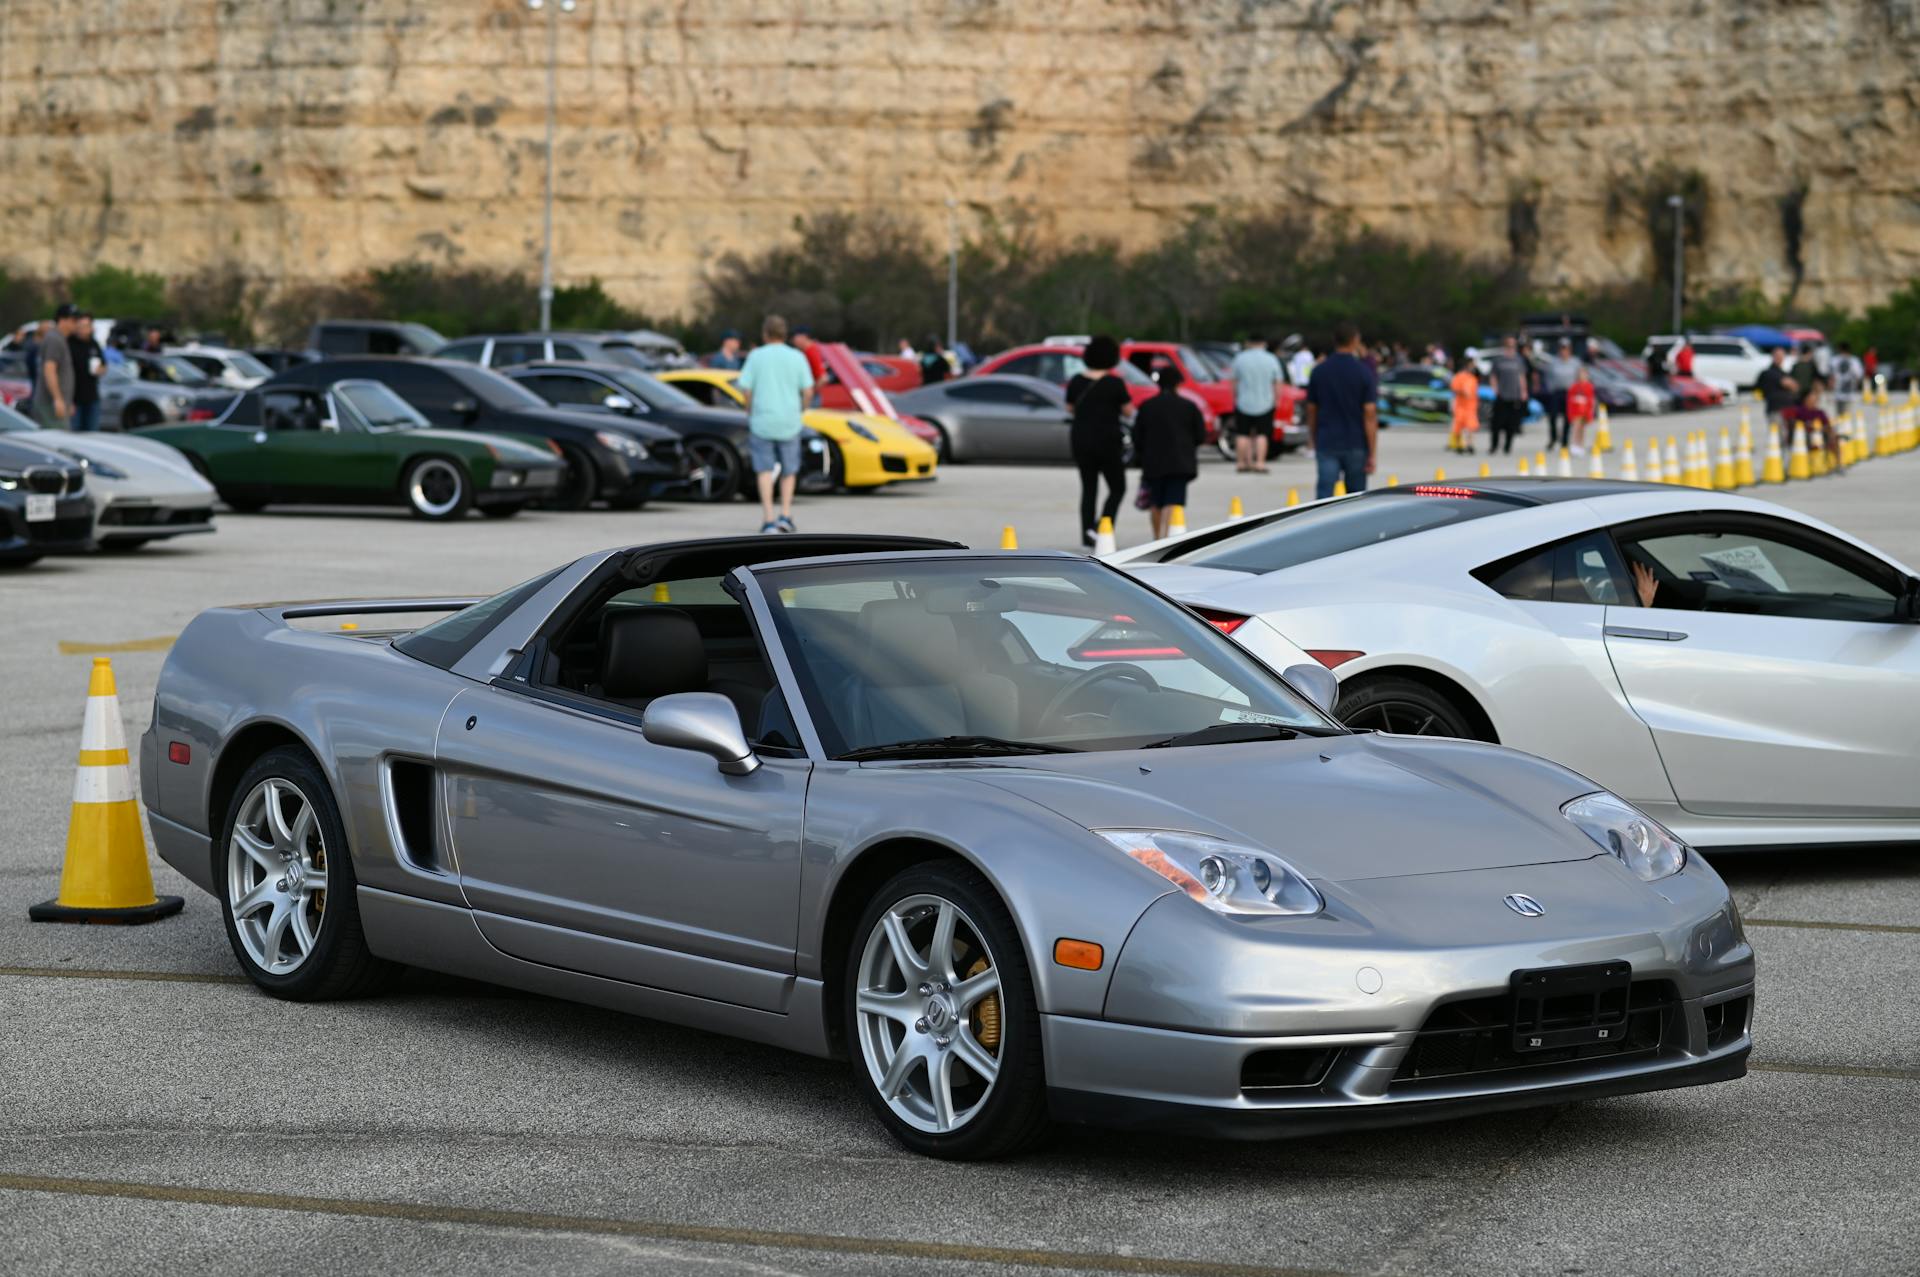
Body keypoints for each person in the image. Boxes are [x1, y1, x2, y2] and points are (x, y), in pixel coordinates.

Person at [736, 314, 814, 534]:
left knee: (764, 469)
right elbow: (808, 390)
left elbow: (746, 389)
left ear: (765, 333)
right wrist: (802, 408)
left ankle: (768, 518)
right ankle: (786, 515)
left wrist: (749, 409)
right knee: (790, 470)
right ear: (785, 333)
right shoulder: (797, 357)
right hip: (789, 420)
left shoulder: (756, 356)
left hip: (762, 420)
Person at [1066, 335, 1131, 548]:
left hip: (1081, 440)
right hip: (1108, 441)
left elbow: (1070, 408)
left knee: (1089, 488)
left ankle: (1087, 535)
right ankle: (1103, 527)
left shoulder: (1076, 381)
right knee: (1117, 487)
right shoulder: (1115, 383)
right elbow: (1128, 411)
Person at [1304, 321, 1378, 499]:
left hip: (1327, 440)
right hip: (1356, 442)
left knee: (1324, 495)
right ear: (1355, 341)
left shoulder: (1319, 371)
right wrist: (1372, 452)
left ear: (1334, 341)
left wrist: (1313, 437)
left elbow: (1312, 409)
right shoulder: (1363, 372)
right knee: (1356, 498)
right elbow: (1369, 414)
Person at [1132, 363, 1206, 541]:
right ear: (1178, 384)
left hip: (1153, 462)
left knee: (1156, 502)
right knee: (1173, 501)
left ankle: (1157, 537)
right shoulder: (1189, 406)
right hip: (1180, 462)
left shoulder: (1147, 406)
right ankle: (1167, 538)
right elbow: (1201, 435)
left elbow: (1136, 436)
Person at [1226, 335, 1284, 474]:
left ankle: (1241, 463)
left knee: (1242, 434)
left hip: (1243, 402)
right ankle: (1259, 463)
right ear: (1263, 343)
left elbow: (1233, 381)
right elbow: (1277, 381)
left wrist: (1236, 397)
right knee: (1262, 434)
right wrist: (1277, 398)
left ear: (1248, 343)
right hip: (1265, 402)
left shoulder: (1240, 358)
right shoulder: (1271, 359)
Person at [32, 304, 79, 430]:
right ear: (62, 320)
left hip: (57, 403)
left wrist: (67, 401)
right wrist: (58, 399)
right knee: (56, 443)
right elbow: (49, 370)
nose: (76, 323)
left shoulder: (60, 339)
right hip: (50, 405)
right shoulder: (54, 339)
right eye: (73, 320)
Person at [1485, 335, 1529, 455]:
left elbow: (1522, 376)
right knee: (1496, 423)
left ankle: (1507, 447)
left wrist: (1524, 391)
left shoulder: (1519, 360)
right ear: (1505, 346)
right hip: (1502, 395)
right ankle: (1494, 446)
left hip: (1514, 395)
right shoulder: (1498, 360)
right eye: (1508, 345)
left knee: (1511, 423)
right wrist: (1494, 388)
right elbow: (1493, 375)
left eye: (1513, 345)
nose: (1511, 347)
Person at [1540, 339, 1581, 452]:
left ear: (1570, 350)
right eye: (1562, 349)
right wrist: (1550, 388)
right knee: (1552, 416)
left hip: (1570, 393)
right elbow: (1547, 377)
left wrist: (1578, 391)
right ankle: (1553, 438)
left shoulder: (1575, 362)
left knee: (1568, 418)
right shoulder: (1553, 362)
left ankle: (1564, 441)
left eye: (1566, 349)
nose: (1564, 351)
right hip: (1556, 392)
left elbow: (1579, 377)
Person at [68, 312, 104, 432]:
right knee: (75, 432)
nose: (83, 329)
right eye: (81, 325)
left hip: (92, 396)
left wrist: (100, 370)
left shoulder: (94, 344)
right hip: (74, 398)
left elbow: (104, 364)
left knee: (92, 432)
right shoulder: (69, 343)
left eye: (86, 326)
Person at [1448, 354, 1479, 454]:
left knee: (1470, 426)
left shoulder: (1473, 378)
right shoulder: (1459, 377)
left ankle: (1470, 445)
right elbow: (1454, 389)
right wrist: (1462, 392)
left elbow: (1474, 393)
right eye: (1471, 365)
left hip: (1471, 406)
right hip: (1461, 406)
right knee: (1458, 426)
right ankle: (1459, 445)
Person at [1566, 364, 1598, 452]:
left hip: (1585, 410)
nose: (1583, 376)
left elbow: (1591, 400)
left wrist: (1590, 411)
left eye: (1584, 374)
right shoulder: (1574, 386)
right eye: (1581, 374)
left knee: (1582, 429)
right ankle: (1574, 444)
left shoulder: (1589, 386)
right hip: (1576, 410)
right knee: (1576, 428)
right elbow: (1570, 399)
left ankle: (1581, 445)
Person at [792, 327, 825, 406]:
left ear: (803, 337)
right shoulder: (809, 351)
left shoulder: (811, 351)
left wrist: (809, 393)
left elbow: (823, 378)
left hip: (811, 398)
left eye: (795, 337)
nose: (793, 340)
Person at [1831, 341, 1865, 419]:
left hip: (1837, 391)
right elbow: (1859, 375)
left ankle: (1840, 429)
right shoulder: (1854, 361)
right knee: (1848, 415)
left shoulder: (1834, 360)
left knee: (1839, 414)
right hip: (1850, 391)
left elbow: (1830, 376)